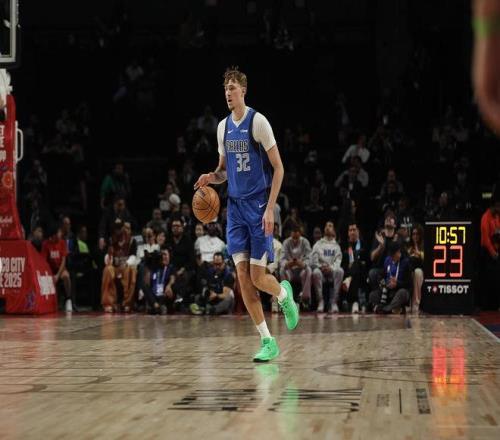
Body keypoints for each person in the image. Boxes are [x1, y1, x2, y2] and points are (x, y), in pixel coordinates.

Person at [194, 66, 298, 362]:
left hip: (258, 206)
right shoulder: (222, 127)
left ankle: (284, 295)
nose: (228, 93)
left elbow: (279, 168)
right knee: (242, 277)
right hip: (236, 209)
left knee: (258, 277)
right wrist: (211, 177)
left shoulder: (258, 122)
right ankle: (267, 341)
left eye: (232, 88)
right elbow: (224, 172)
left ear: (243, 90)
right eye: (225, 88)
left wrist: (270, 209)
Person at [369, 241, 411, 314]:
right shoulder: (387, 260)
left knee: (403, 293)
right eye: (391, 256)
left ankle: (385, 309)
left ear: (399, 252)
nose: (392, 258)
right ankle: (394, 309)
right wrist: (382, 281)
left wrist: (397, 283)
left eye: (393, 255)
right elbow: (382, 275)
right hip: (387, 292)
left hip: (399, 290)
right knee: (372, 295)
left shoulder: (406, 262)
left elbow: (409, 284)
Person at [311, 221, 344, 313]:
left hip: (332, 272)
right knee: (315, 272)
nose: (327, 227)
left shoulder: (336, 246)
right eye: (326, 226)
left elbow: (338, 261)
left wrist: (331, 268)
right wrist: (321, 267)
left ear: (333, 231)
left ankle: (334, 302)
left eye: (330, 226)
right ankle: (320, 301)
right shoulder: (318, 244)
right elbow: (314, 260)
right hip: (321, 272)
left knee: (340, 271)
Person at [41, 225, 73, 312]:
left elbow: (63, 261)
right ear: (54, 235)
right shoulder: (46, 244)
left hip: (60, 269)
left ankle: (68, 299)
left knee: (66, 276)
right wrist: (50, 274)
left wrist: (58, 275)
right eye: (59, 232)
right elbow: (44, 262)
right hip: (50, 270)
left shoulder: (62, 242)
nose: (61, 234)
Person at [280, 223, 312, 305]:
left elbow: (309, 258)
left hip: (301, 270)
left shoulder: (305, 242)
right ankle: (285, 298)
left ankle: (305, 298)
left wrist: (302, 264)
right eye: (293, 237)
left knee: (308, 269)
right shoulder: (286, 242)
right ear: (291, 234)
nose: (295, 240)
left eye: (296, 238)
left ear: (300, 234)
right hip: (290, 270)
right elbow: (282, 259)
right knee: (282, 270)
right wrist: (287, 263)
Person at [341, 222, 369, 314]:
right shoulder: (344, 245)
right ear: (348, 233)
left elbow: (368, 261)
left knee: (356, 268)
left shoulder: (363, 245)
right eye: (350, 230)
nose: (352, 232)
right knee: (353, 271)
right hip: (347, 273)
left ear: (358, 232)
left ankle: (354, 301)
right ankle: (357, 302)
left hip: (361, 273)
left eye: (354, 230)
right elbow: (341, 263)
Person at [142, 249, 176, 315]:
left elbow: (173, 278)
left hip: (165, 294)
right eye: (162, 255)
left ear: (169, 256)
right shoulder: (155, 268)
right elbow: (147, 282)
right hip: (155, 296)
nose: (163, 257)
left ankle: (158, 308)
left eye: (165, 254)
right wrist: (148, 265)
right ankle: (157, 307)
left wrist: (169, 285)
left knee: (173, 287)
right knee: (145, 286)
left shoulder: (171, 267)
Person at [408, 224, 424, 314]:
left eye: (417, 234)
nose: (415, 236)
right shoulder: (408, 246)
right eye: (413, 234)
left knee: (417, 272)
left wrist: (420, 254)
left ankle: (416, 304)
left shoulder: (424, 245)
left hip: (421, 270)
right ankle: (406, 304)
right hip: (410, 270)